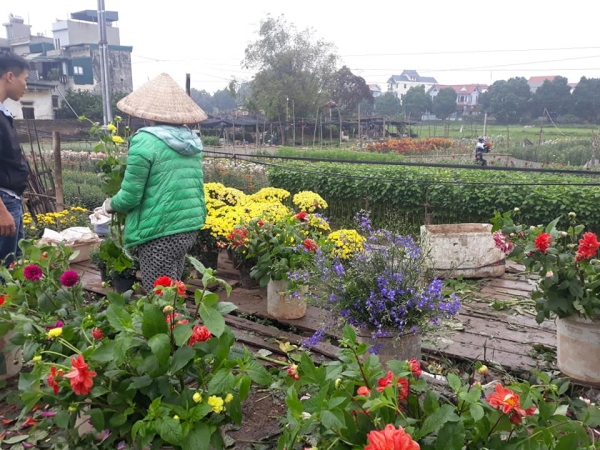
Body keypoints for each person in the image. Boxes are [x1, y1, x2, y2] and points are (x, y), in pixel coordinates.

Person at [102, 73, 208, 291]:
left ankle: (167, 324)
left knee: (158, 297)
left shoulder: (145, 141)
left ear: (150, 114)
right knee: (173, 291)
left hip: (159, 231)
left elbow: (130, 196)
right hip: (187, 227)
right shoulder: (191, 140)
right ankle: (179, 324)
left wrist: (109, 205)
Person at [0, 51, 29, 267]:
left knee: (13, 269)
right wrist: (1, 210)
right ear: (10, 76)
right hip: (4, 202)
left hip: (10, 199)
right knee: (5, 272)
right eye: (25, 80)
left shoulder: (3, 113)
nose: (25, 86)